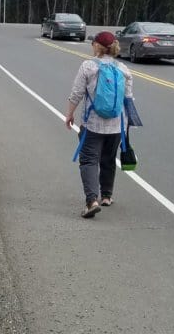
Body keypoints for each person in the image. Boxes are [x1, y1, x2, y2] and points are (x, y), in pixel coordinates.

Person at [64, 31, 134, 218]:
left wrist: (69, 114)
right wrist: (126, 128)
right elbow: (128, 100)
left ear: (97, 46)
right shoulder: (123, 69)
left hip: (92, 124)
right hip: (116, 125)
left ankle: (91, 201)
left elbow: (76, 93)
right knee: (109, 159)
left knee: (88, 160)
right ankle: (107, 196)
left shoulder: (88, 66)